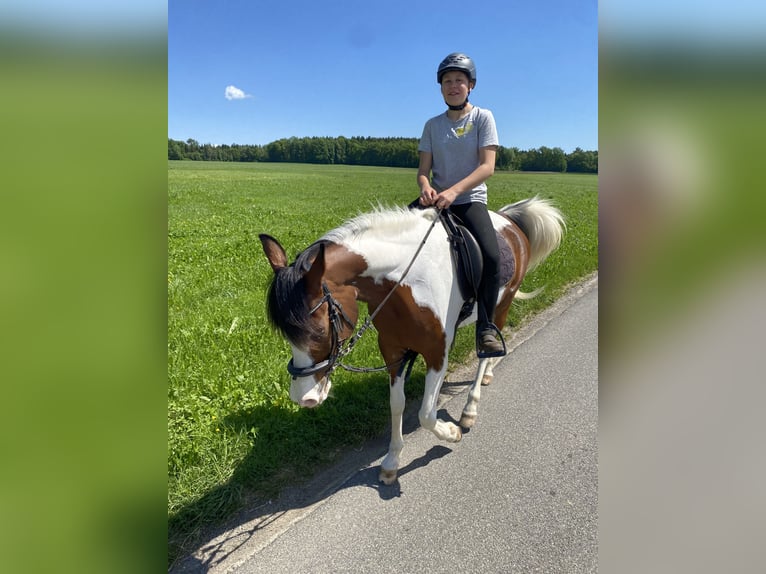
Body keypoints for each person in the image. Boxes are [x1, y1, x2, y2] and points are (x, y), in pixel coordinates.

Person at [417, 52, 504, 357]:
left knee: (492, 258)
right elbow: (423, 172)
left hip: (468, 201)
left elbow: (487, 167)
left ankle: (486, 329)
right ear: (440, 87)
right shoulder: (432, 125)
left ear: (471, 85)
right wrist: (426, 188)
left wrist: (453, 192)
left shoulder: (483, 117)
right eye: (447, 81)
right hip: (436, 201)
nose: (453, 86)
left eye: (459, 81)